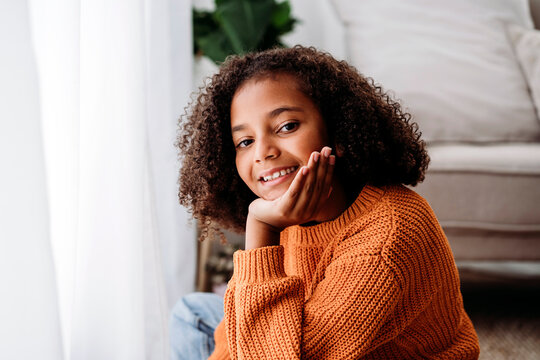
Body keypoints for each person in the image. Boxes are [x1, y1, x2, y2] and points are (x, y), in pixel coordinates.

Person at [171, 46, 480, 360]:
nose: (262, 152)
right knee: (192, 312)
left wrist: (260, 225)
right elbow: (236, 339)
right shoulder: (291, 212)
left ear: (339, 132)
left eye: (287, 126)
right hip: (299, 339)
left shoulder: (388, 234)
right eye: (245, 142)